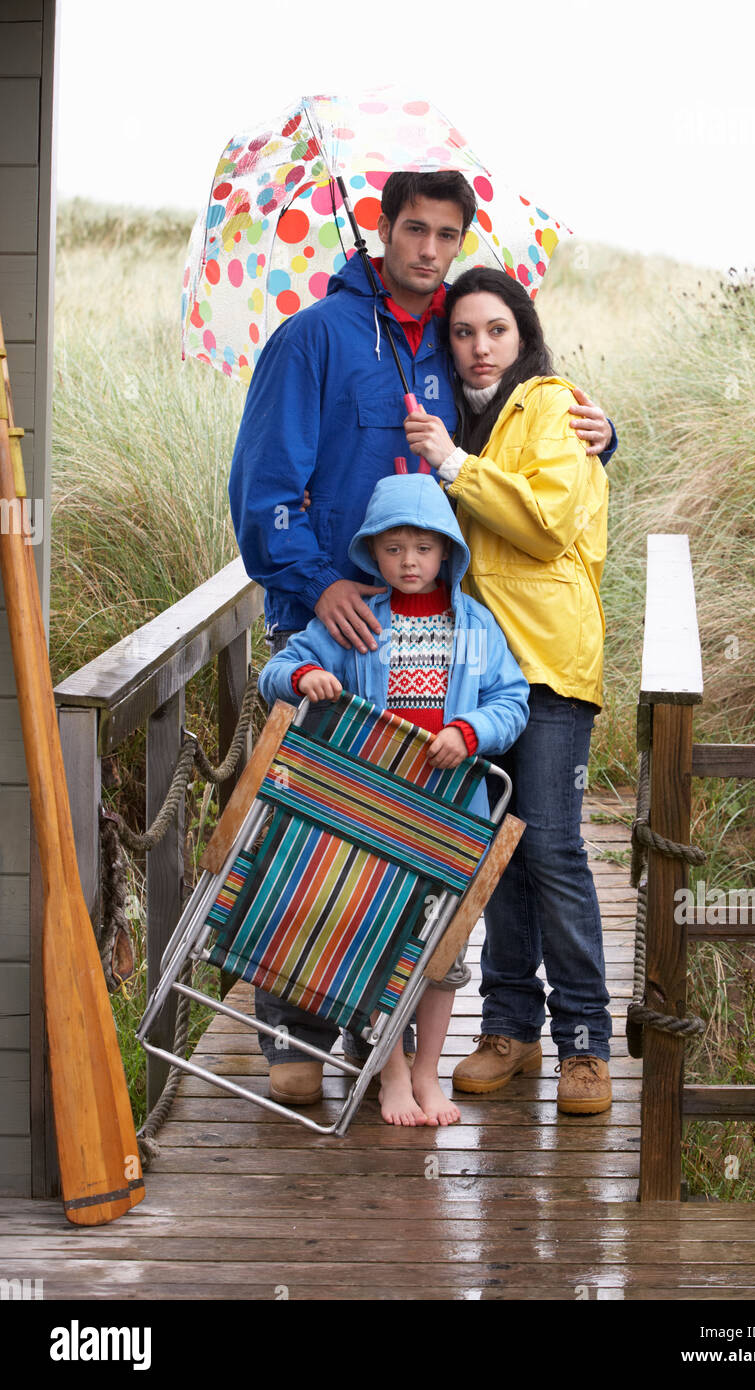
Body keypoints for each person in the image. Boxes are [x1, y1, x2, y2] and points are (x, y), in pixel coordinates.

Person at [229, 168, 617, 1105]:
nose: (430, 250)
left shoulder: (451, 341)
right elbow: (262, 492)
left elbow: (519, 426)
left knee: (412, 848)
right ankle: (295, 1033)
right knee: (318, 833)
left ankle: (425, 1035)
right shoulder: (312, 338)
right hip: (339, 629)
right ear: (381, 229)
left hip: (440, 640)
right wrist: (317, 588)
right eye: (415, 230)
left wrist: (606, 437)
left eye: (447, 234)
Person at [402, 265, 612, 1115]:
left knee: (553, 845)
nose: (479, 346)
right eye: (462, 332)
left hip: (548, 664)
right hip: (479, 672)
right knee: (499, 847)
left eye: (495, 329)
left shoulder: (553, 405)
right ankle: (509, 1029)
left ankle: (587, 1041)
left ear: (521, 333)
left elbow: (544, 521)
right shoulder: (462, 417)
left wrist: (451, 461)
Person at [257, 469, 530, 1123]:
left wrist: (469, 733)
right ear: (373, 553)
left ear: (447, 553)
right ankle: (392, 1073)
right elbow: (274, 671)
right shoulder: (357, 622)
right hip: (370, 816)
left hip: (449, 818)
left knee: (441, 952)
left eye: (425, 548)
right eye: (394, 549)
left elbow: (512, 700)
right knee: (376, 944)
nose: (410, 562)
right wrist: (308, 673)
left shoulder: (475, 626)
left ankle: (429, 1073)